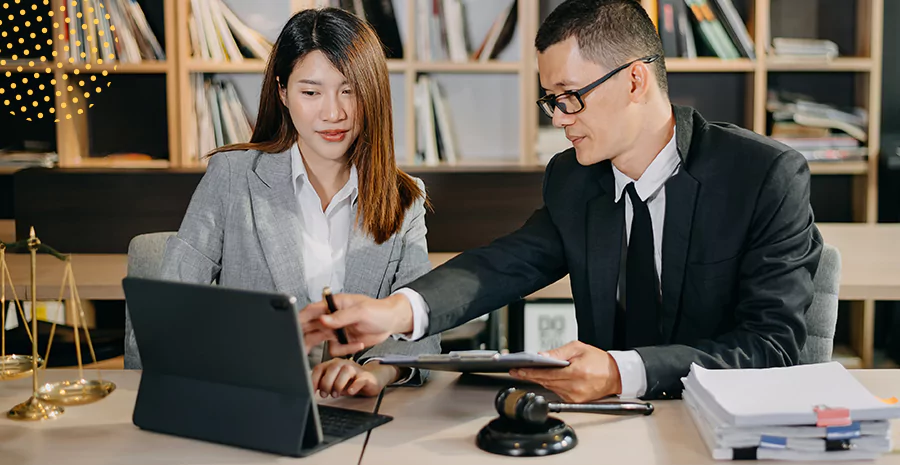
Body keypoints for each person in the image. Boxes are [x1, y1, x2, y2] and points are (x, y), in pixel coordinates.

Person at [300, 0, 823, 402]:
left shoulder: (762, 176)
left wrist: (623, 372)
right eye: (550, 100)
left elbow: (771, 348)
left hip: (715, 426)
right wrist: (393, 312)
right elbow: (503, 265)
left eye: (569, 96)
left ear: (635, 79)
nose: (558, 117)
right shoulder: (575, 178)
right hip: (600, 427)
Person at [123, 7, 440, 398]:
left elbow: (424, 327)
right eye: (311, 92)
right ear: (283, 93)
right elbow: (163, 321)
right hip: (249, 404)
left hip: (358, 412)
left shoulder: (404, 198)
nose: (333, 112)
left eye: (349, 90)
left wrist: (376, 372)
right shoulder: (232, 177)